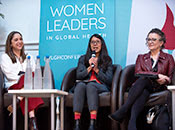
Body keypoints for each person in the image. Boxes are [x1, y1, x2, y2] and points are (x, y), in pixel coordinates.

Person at [109, 28, 175, 130]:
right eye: (148, 39)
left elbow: (170, 78)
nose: (150, 42)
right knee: (143, 85)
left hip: (160, 87)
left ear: (161, 42)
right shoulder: (141, 57)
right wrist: (157, 76)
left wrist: (165, 80)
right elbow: (138, 73)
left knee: (143, 82)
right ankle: (132, 123)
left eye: (153, 39)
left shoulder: (168, 58)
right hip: (145, 85)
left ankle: (123, 110)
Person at [0, 31, 44, 130]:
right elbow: (9, 74)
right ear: (10, 43)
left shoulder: (29, 57)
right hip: (13, 86)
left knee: (29, 79)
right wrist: (24, 77)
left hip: (27, 87)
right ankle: (32, 121)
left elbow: (34, 73)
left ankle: (18, 102)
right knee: (27, 78)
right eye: (16, 40)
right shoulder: (5, 57)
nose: (19, 41)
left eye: (21, 39)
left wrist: (26, 77)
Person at [72, 34, 113, 130]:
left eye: (97, 42)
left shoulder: (107, 60)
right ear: (89, 45)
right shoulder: (83, 59)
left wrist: (97, 69)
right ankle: (77, 123)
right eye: (92, 42)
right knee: (80, 86)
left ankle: (92, 123)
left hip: (100, 86)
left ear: (102, 44)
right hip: (84, 84)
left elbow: (109, 79)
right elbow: (78, 75)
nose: (95, 44)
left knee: (91, 85)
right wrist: (90, 67)